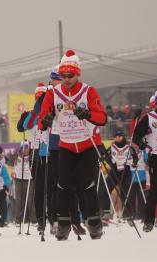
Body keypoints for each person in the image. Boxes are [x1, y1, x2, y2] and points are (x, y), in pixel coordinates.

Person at [38, 50, 107, 240]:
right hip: (66, 145)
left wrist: (88, 114)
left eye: (70, 75)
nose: (66, 79)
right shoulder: (53, 93)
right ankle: (64, 224)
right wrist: (46, 120)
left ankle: (94, 223)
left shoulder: (88, 91)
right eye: (63, 76)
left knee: (87, 184)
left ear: (78, 74)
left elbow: (102, 118)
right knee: (62, 185)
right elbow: (41, 121)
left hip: (86, 145)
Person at [132, 93, 157, 232]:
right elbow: (136, 135)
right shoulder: (150, 117)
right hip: (155, 156)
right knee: (154, 191)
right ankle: (148, 221)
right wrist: (141, 144)